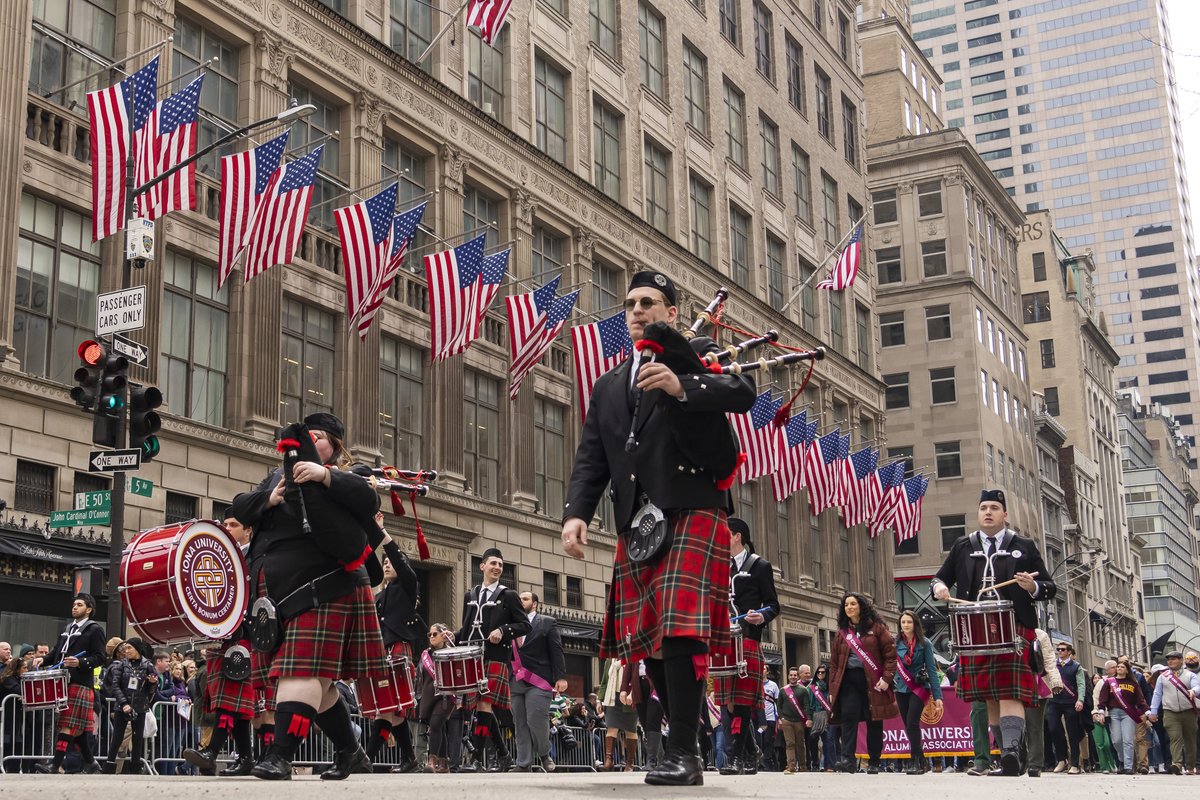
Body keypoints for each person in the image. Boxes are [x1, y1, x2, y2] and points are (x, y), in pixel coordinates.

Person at [561, 270, 756, 786]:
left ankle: (685, 752)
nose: (637, 310)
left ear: (671, 312)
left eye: (649, 302)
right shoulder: (607, 386)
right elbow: (592, 458)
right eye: (629, 303)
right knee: (647, 642)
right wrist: (576, 513)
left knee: (678, 627)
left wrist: (682, 382)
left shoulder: (695, 352)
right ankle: (681, 748)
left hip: (691, 508)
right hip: (637, 526)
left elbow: (743, 390)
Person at [232, 411, 388, 780]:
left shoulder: (350, 475)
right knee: (319, 683)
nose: (309, 440)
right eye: (307, 434)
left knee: (300, 671)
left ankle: (280, 756)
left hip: (326, 583)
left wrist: (325, 475)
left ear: (334, 447)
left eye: (319, 436)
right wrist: (269, 499)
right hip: (278, 591)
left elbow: (367, 501)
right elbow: (239, 507)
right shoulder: (275, 477)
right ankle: (351, 753)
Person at [931, 489, 1056, 777]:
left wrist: (1031, 587)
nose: (988, 512)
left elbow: (1049, 586)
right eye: (984, 507)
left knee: (1010, 692)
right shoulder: (964, 545)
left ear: (1005, 514)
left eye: (994, 508)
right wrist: (939, 587)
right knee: (989, 696)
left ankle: (1011, 753)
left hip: (1014, 628)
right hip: (974, 632)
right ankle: (1012, 753)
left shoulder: (1023, 545)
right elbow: (941, 577)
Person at [183, 508, 258, 776]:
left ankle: (211, 752)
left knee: (229, 702)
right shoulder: (219, 556)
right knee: (231, 704)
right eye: (224, 523)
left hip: (243, 638)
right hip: (221, 638)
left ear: (248, 530)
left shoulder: (256, 557)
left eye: (234, 524)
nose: (227, 528)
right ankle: (247, 759)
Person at [453, 547, 530, 772]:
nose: (497, 567)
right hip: (473, 657)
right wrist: (454, 636)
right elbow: (467, 627)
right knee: (482, 706)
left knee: (484, 704)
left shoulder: (508, 595)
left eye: (500, 565)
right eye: (493, 563)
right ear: (482, 566)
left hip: (495, 657)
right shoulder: (471, 595)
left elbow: (525, 625)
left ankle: (476, 759)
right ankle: (504, 755)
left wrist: (503, 630)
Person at [361, 513, 425, 774]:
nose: (387, 565)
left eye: (391, 563)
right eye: (384, 563)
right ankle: (409, 760)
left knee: (387, 710)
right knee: (391, 710)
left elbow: (399, 559)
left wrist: (382, 533)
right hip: (381, 652)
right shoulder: (379, 596)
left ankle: (364, 760)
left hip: (399, 650)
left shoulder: (408, 587)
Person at [715, 518, 780, 775]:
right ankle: (750, 752)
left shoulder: (760, 566)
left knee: (740, 703)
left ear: (737, 536)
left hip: (748, 638)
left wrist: (761, 615)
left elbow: (774, 605)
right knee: (726, 704)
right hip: (723, 639)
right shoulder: (718, 566)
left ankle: (735, 758)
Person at [33, 592, 106, 774]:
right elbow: (57, 652)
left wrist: (81, 662)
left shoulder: (94, 629)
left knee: (67, 724)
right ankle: (91, 764)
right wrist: (43, 660)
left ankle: (55, 765)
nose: (75, 607)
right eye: (74, 604)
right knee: (77, 728)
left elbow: (100, 657)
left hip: (80, 682)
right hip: (63, 682)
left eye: (80, 605)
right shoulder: (67, 628)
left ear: (89, 610)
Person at [827, 592, 898, 774]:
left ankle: (874, 761)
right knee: (848, 719)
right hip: (848, 682)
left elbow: (890, 656)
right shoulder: (841, 633)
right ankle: (848, 760)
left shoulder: (878, 628)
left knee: (873, 720)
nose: (849, 607)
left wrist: (887, 678)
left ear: (861, 606)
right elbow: (834, 664)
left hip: (873, 682)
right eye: (846, 605)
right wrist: (833, 687)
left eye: (853, 604)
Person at [509, 591, 567, 773]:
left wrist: (561, 677)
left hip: (539, 680)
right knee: (519, 723)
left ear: (534, 604)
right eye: (519, 599)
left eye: (525, 599)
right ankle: (523, 763)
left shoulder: (547, 622)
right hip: (515, 680)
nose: (521, 601)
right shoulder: (510, 625)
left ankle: (544, 755)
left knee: (536, 720)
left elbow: (556, 650)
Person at [892, 610, 942, 774]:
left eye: (909, 622)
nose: (906, 625)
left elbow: (932, 670)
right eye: (903, 622)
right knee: (908, 725)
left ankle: (914, 761)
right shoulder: (895, 643)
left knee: (912, 722)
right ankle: (922, 759)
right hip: (900, 687)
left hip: (919, 688)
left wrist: (938, 696)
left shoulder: (924, 643)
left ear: (915, 624)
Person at [102, 638, 157, 774]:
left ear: (137, 649)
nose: (126, 651)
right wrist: (124, 703)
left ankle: (135, 768)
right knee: (117, 737)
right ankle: (109, 766)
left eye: (129, 648)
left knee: (137, 738)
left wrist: (152, 683)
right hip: (122, 706)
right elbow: (115, 686)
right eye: (125, 648)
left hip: (140, 706)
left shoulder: (148, 665)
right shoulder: (121, 665)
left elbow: (151, 691)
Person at [1147, 650, 1200, 774]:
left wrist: (1193, 691)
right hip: (1170, 712)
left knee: (1190, 739)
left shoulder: (1190, 675)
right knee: (1175, 737)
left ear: (1181, 661)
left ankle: (1190, 766)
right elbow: (1157, 694)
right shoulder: (1163, 677)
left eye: (1174, 659)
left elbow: (1197, 686)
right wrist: (1153, 711)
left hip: (1188, 711)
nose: (1170, 661)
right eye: (1169, 659)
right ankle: (1176, 763)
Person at [415, 623, 456, 772]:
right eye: (429, 634)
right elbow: (419, 677)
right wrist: (418, 696)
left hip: (446, 696)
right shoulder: (425, 655)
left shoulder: (451, 653)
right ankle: (444, 764)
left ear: (443, 635)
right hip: (428, 695)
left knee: (435, 725)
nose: (431, 637)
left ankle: (431, 761)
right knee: (440, 727)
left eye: (435, 634)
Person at [1023, 627, 1063, 777]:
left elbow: (1049, 659)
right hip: (1013, 681)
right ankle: (1018, 760)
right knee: (1014, 723)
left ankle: (1034, 764)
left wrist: (1056, 681)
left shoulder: (1040, 634)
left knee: (1034, 726)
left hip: (1036, 684)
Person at [1098, 661, 1147, 774]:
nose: (1119, 668)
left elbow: (1140, 700)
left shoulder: (1133, 683)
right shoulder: (1109, 682)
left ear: (1127, 670)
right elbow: (1103, 698)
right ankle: (1122, 760)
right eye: (1118, 666)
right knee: (1116, 740)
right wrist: (1101, 711)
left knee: (1128, 740)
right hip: (1113, 713)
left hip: (1128, 714)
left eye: (1122, 667)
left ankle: (1128, 766)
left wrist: (1146, 711)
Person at [1046, 642, 1087, 774]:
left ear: (1069, 652)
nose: (1060, 651)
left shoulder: (1076, 666)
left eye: (1063, 650)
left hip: (1070, 701)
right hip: (1054, 701)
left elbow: (1081, 684)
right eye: (1058, 649)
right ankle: (1062, 760)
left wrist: (1080, 700)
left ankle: (1075, 764)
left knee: (1072, 733)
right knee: (1054, 729)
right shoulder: (1053, 665)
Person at [598, 657, 639, 771]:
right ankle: (608, 761)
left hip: (629, 697)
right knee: (611, 729)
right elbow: (604, 681)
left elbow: (636, 679)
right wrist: (599, 700)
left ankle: (630, 763)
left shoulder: (633, 657)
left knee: (630, 730)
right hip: (612, 697)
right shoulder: (609, 660)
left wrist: (633, 693)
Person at [777, 666, 811, 774]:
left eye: (795, 675)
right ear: (788, 676)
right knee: (790, 743)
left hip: (799, 721)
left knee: (800, 743)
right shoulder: (783, 690)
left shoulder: (803, 690)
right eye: (791, 675)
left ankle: (802, 765)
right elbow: (779, 706)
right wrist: (781, 717)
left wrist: (808, 718)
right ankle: (791, 766)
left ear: (798, 676)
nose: (793, 677)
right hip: (786, 720)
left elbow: (806, 705)